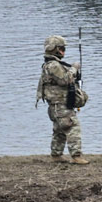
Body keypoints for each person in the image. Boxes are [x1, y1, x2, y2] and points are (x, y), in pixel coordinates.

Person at [34, 35, 87, 164]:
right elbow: (64, 80)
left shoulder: (50, 64)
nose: (64, 51)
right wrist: (74, 68)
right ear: (55, 49)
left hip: (56, 105)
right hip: (60, 105)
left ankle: (56, 155)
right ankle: (76, 156)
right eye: (62, 49)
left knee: (59, 130)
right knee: (73, 127)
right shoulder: (54, 65)